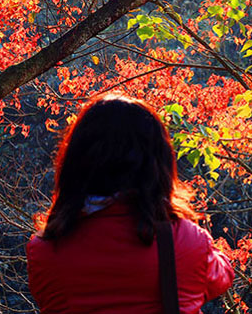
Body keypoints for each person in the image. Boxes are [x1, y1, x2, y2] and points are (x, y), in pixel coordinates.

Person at [26, 94, 234, 313]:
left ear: (74, 162)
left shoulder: (44, 252)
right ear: (158, 162)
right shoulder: (185, 241)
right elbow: (221, 277)